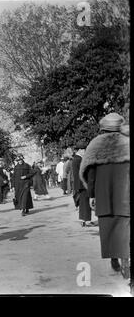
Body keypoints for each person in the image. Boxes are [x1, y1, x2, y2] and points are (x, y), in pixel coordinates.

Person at [80, 113, 130, 279]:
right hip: (125, 194)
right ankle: (125, 259)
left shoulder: (95, 144)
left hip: (104, 195)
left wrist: (92, 194)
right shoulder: (127, 142)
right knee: (125, 226)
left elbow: (90, 173)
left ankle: (114, 257)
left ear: (103, 127)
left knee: (108, 226)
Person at [72, 142, 93, 227]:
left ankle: (83, 219)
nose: (85, 151)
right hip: (83, 184)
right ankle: (86, 220)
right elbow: (84, 172)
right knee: (85, 203)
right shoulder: (79, 159)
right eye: (84, 149)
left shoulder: (75, 159)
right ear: (80, 150)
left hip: (80, 184)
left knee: (83, 202)